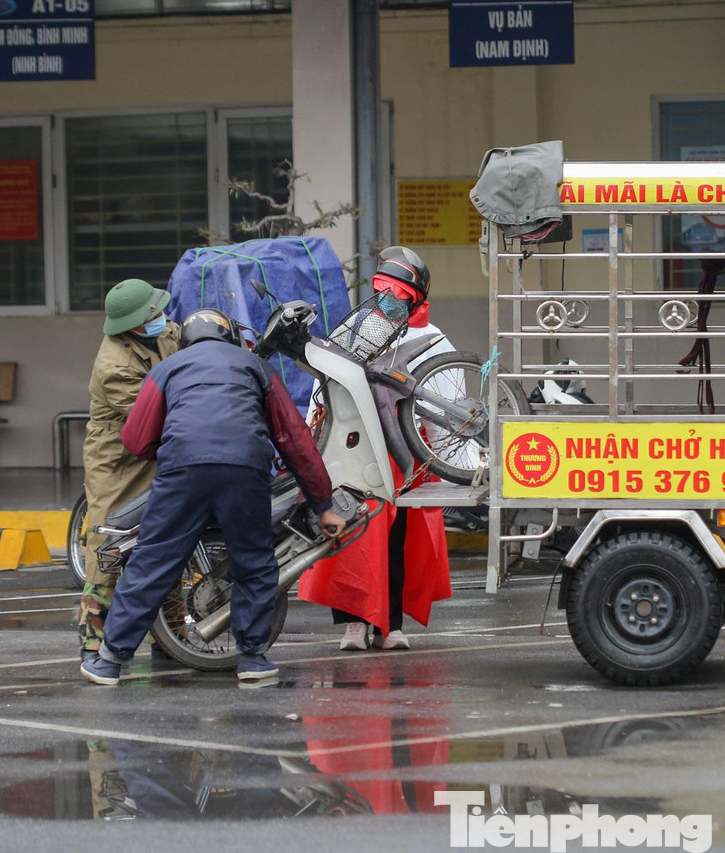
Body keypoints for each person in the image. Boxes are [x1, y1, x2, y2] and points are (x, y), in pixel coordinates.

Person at [80, 308, 344, 685]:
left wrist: (178, 447)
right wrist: (323, 505)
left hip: (181, 473)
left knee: (152, 561)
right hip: (244, 471)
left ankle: (108, 661)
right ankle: (252, 659)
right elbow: (294, 440)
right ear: (230, 336)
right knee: (253, 560)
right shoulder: (255, 366)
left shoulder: (167, 369)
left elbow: (136, 440)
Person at [298, 246, 453, 652]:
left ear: (416, 296)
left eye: (399, 294)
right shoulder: (357, 328)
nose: (390, 300)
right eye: (384, 291)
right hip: (352, 446)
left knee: (398, 537)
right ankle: (352, 624)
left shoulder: (431, 339)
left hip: (403, 449)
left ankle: (392, 626)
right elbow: (325, 383)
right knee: (350, 537)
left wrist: (440, 458)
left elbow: (447, 396)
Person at [78, 279, 180, 663]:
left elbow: (188, 344)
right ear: (134, 325)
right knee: (106, 546)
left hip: (162, 447)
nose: (162, 318)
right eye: (152, 314)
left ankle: (173, 638)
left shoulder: (165, 332)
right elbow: (150, 415)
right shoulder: (114, 365)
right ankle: (93, 641)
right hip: (118, 457)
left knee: (169, 539)